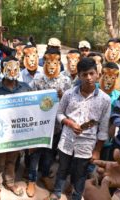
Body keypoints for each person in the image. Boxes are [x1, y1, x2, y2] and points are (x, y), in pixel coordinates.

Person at [48, 58, 111, 200]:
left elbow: (103, 128)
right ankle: (57, 192)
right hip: (66, 141)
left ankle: (76, 196)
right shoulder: (69, 94)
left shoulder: (105, 99)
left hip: (87, 145)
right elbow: (59, 113)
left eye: (91, 73)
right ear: (79, 76)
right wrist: (69, 123)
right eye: (84, 74)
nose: (88, 78)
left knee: (80, 173)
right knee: (62, 169)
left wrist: (97, 151)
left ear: (97, 74)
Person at [0, 56, 32, 200]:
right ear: (2, 69)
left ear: (19, 69)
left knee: (12, 159)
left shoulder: (25, 87)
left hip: (17, 133)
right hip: (1, 133)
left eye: (15, 69)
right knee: (0, 160)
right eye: (9, 69)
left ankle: (10, 182)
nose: (12, 72)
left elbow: (34, 108)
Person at [27, 48, 71, 197]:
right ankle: (32, 180)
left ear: (59, 62)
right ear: (44, 61)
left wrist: (63, 95)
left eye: (55, 61)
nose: (52, 65)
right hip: (39, 126)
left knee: (50, 154)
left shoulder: (66, 81)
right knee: (35, 154)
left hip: (56, 126)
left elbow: (70, 103)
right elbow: (30, 101)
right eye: (48, 61)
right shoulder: (38, 80)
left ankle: (45, 175)